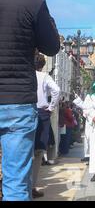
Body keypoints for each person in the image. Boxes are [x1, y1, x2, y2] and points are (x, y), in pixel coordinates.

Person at [0, 0, 60, 201]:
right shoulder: (32, 3)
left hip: (17, 101)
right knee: (16, 181)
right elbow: (52, 46)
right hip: (17, 102)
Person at [32, 54, 61, 199]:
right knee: (38, 152)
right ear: (43, 65)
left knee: (23, 150)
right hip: (42, 113)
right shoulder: (44, 77)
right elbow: (57, 90)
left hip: (26, 110)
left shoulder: (26, 75)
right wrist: (51, 107)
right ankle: (31, 187)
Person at [73, 81, 95, 165]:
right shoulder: (89, 96)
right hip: (91, 121)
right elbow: (85, 107)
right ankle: (88, 155)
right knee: (88, 139)